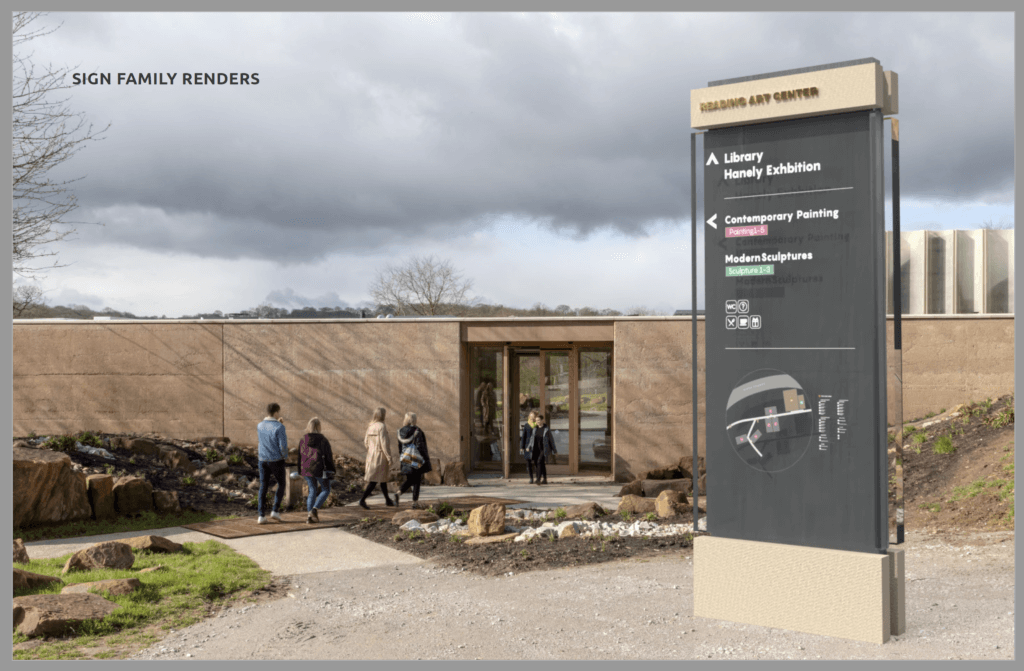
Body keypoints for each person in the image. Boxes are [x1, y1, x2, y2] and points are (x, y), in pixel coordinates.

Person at [298, 417, 335, 524]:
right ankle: (314, 510)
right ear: (319, 427)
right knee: (326, 490)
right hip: (320, 469)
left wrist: (300, 470)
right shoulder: (323, 440)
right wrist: (332, 469)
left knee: (312, 491)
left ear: (309, 426)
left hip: (306, 469)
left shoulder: (303, 439)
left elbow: (299, 456)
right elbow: (329, 456)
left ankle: (309, 517)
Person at [256, 402, 288, 524]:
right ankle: (275, 510)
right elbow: (283, 446)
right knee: (281, 484)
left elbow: (268, 434)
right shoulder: (280, 427)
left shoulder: (259, 425)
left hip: (262, 460)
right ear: (276, 413)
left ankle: (261, 515)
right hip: (276, 460)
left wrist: (278, 423)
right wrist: (285, 456)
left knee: (263, 486)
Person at [395, 412, 432, 508]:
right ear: (414, 419)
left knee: (410, 479)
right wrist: (425, 460)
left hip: (405, 459)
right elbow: (421, 446)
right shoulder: (417, 431)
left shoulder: (400, 431)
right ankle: (414, 502)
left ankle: (398, 493)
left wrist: (403, 460)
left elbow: (400, 448)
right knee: (417, 481)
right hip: (415, 459)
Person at [359, 407, 394, 509]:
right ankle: (362, 500)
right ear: (382, 415)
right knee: (374, 480)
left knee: (382, 479)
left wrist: (371, 450)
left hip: (371, 455)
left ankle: (388, 500)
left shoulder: (370, 426)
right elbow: (384, 443)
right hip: (380, 455)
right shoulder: (382, 426)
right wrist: (389, 456)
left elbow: (366, 442)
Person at [527, 412, 556, 485]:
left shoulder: (546, 430)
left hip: (544, 449)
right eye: (536, 421)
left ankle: (538, 479)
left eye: (539, 420)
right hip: (536, 449)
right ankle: (545, 479)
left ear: (542, 420)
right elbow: (531, 439)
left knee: (540, 461)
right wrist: (529, 447)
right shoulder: (534, 429)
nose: (537, 422)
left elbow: (551, 440)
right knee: (539, 464)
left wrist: (554, 450)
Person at [519, 410, 539, 483]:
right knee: (529, 463)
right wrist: (522, 447)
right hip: (528, 447)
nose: (532, 418)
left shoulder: (538, 425)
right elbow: (523, 437)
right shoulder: (527, 425)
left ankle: (537, 478)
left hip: (536, 447)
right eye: (531, 417)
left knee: (537, 463)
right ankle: (531, 478)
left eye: (533, 417)